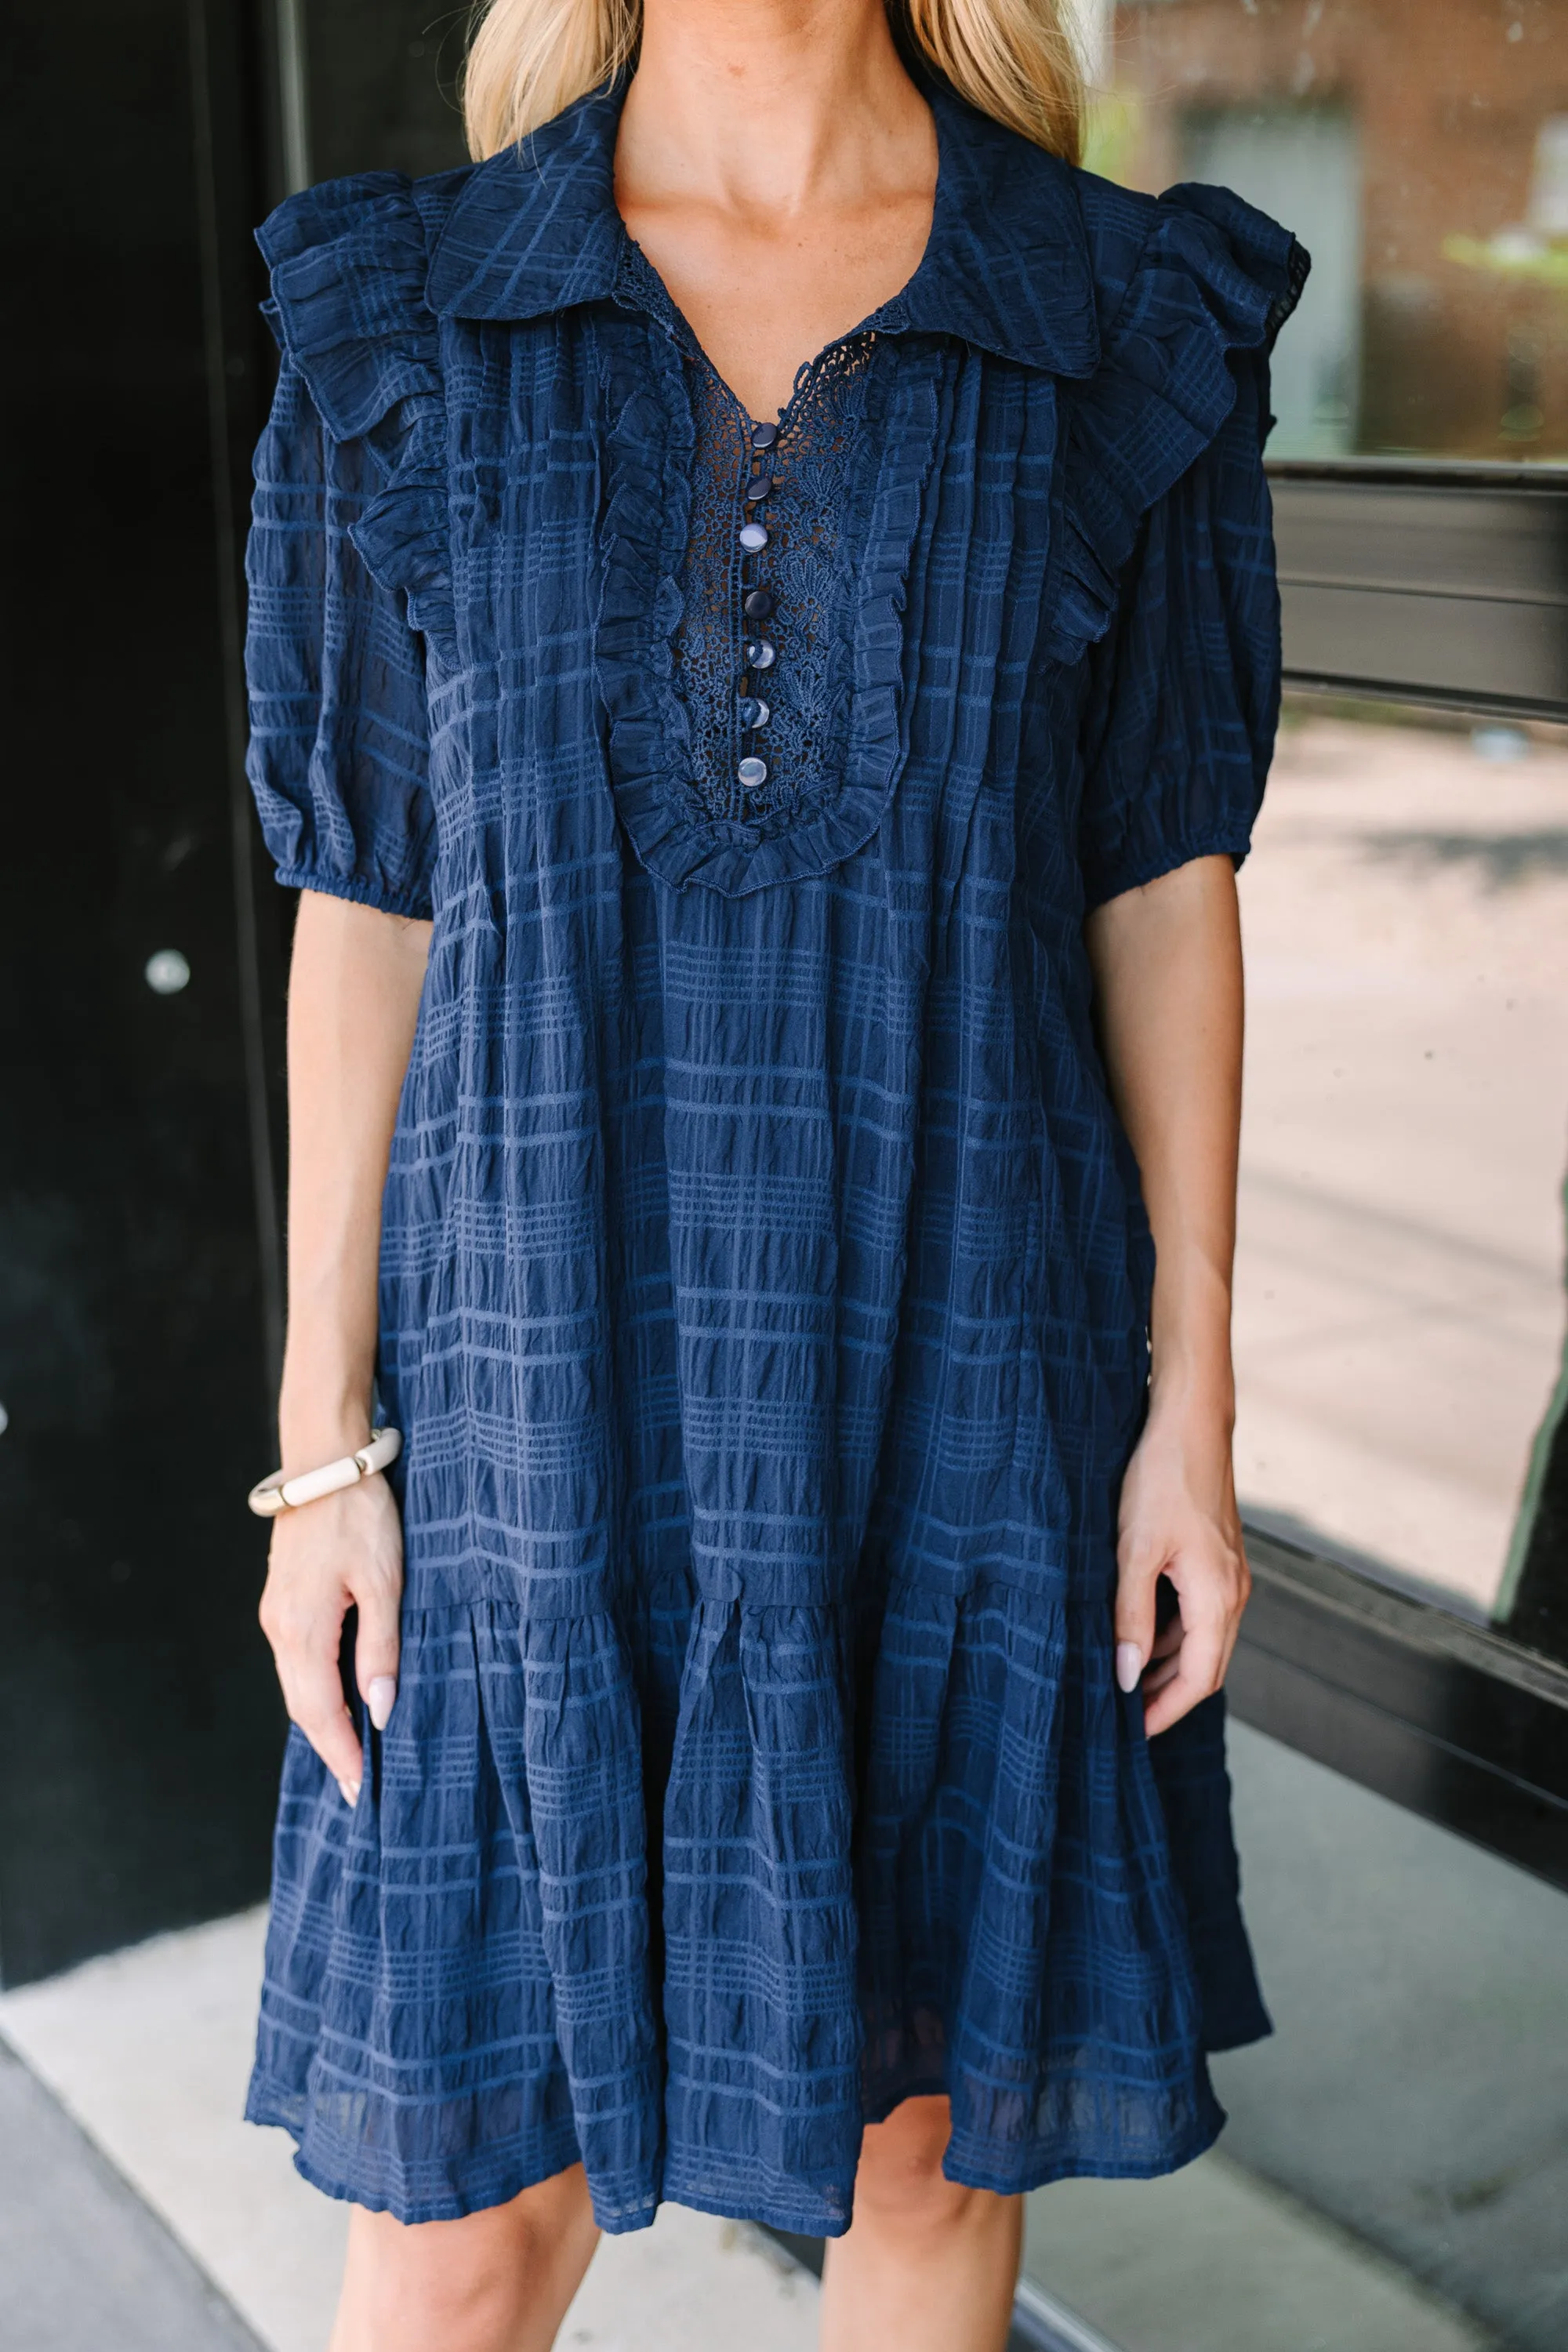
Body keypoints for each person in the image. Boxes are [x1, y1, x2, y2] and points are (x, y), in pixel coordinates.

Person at [241, 2, 1307, 2345]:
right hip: (533, 1401)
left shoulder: (1114, 314)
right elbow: (369, 895)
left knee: (916, 2174)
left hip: (970, 1371)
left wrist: (1190, 1406)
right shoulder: (410, 309)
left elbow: (1162, 883)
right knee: (455, 2230)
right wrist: (323, 1449)